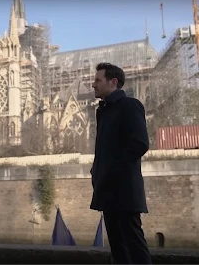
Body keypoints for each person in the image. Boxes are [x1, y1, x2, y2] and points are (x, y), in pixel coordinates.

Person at [90, 62, 152, 264]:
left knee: (134, 246)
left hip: (123, 189)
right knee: (118, 249)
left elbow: (140, 144)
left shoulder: (129, 106)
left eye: (98, 80)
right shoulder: (104, 111)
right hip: (107, 188)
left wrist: (112, 169)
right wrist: (97, 172)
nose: (93, 84)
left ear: (113, 82)